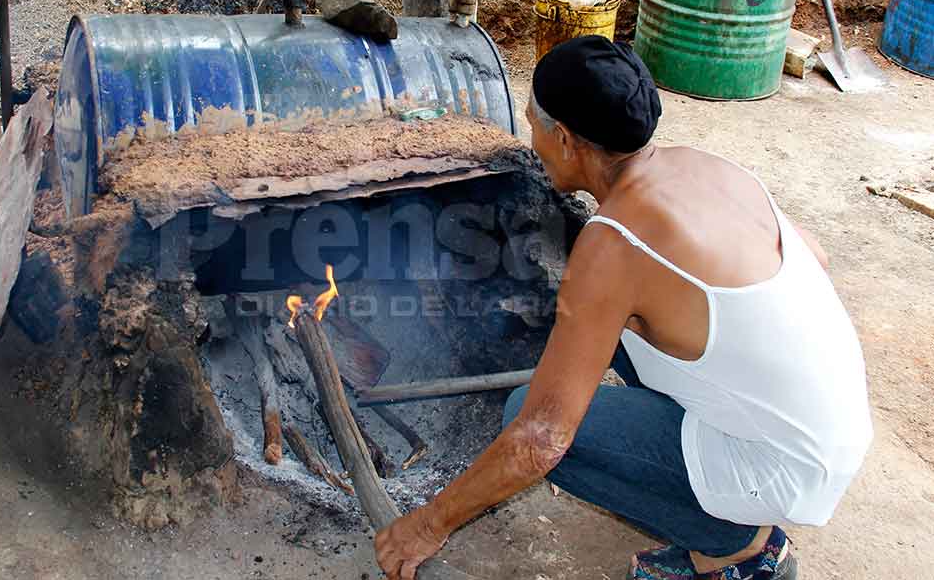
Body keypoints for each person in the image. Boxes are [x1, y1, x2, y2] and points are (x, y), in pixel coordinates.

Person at [374, 35, 873, 580]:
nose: (531, 139)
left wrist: (427, 525)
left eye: (534, 124)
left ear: (565, 140)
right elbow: (814, 258)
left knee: (528, 415)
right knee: (615, 334)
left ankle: (735, 546)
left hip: (784, 468)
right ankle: (729, 498)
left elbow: (540, 443)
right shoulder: (703, 166)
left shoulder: (615, 245)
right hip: (833, 427)